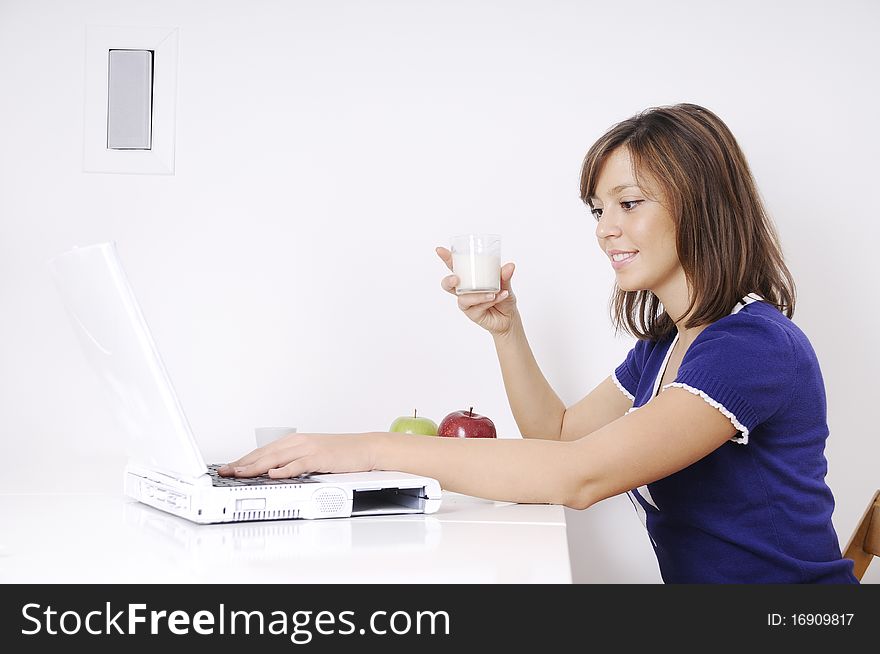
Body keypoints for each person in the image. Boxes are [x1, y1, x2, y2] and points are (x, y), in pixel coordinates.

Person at [219, 103, 858, 584]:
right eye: (597, 210)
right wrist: (507, 329)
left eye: (628, 203)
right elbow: (557, 435)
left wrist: (361, 451)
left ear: (702, 206)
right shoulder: (668, 346)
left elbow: (576, 478)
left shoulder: (751, 347)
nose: (607, 230)